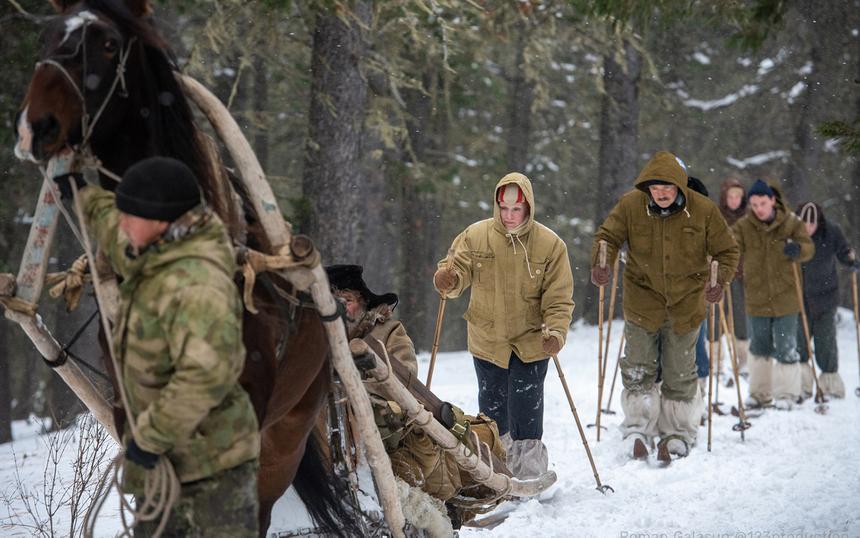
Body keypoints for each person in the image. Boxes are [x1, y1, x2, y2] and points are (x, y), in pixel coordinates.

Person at [55, 156, 260, 536]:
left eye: (130, 215)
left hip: (212, 471)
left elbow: (205, 377)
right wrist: (80, 192)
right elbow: (110, 224)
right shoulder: (152, 250)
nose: (123, 223)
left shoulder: (198, 285)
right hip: (162, 463)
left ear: (161, 220)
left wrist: (149, 439)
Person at [591, 151, 739, 461]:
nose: (660, 193)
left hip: (686, 303)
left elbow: (727, 251)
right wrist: (601, 262)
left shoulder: (703, 210)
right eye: (655, 188)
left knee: (680, 371)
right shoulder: (631, 205)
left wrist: (718, 281)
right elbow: (608, 236)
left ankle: (678, 432)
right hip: (642, 301)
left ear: (680, 186)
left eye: (667, 187)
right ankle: (638, 427)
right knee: (638, 367)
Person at [433, 172, 574, 479]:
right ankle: (497, 472)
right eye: (504, 208)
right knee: (493, 410)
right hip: (488, 338)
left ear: (528, 207)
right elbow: (456, 270)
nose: (509, 215)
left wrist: (556, 332)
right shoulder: (475, 235)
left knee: (527, 407)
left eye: (516, 209)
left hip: (532, 340)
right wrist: (449, 280)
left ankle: (530, 473)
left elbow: (559, 298)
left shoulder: (550, 245)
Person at [731, 179, 813, 410]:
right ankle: (759, 394)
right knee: (759, 346)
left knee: (786, 346)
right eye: (754, 205)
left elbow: (808, 247)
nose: (759, 209)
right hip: (756, 297)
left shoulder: (791, 222)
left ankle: (786, 394)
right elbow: (730, 244)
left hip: (786, 296)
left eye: (763, 204)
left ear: (772, 201)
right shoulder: (744, 226)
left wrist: (798, 249)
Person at [795, 202, 859, 399]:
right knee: (799, 342)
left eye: (812, 224)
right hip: (799, 297)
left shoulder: (831, 231)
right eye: (804, 223)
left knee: (826, 342)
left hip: (826, 296)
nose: (808, 228)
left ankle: (830, 385)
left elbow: (843, 251)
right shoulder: (791, 232)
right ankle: (801, 384)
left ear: (819, 222)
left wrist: (850, 259)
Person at [720, 176, 751, 372]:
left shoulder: (749, 218)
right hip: (720, 275)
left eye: (737, 197)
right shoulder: (716, 215)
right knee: (716, 317)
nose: (734, 200)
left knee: (741, 319)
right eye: (730, 197)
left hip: (742, 275)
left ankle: (743, 361)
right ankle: (716, 362)